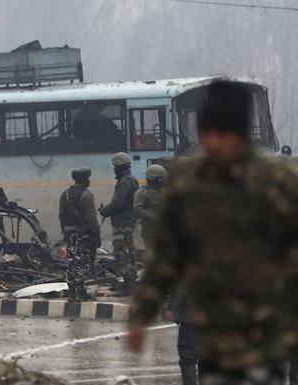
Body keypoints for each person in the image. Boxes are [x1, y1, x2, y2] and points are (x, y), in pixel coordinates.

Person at [127, 81, 298, 385]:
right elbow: (166, 254)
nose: (214, 143)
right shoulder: (188, 183)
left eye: (223, 135)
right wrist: (141, 314)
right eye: (208, 134)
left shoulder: (278, 182)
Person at [58, 168, 101, 301]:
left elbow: (61, 214)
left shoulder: (65, 194)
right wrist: (96, 233)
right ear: (84, 179)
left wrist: (65, 230)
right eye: (88, 178)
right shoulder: (86, 195)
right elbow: (90, 217)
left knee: (71, 261)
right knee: (82, 262)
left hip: (69, 233)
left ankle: (72, 292)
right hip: (83, 234)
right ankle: (80, 292)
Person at [99, 153, 139, 293]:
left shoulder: (124, 182)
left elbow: (117, 204)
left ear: (117, 167)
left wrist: (104, 211)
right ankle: (132, 281)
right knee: (130, 251)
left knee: (121, 252)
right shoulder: (131, 180)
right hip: (129, 221)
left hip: (122, 223)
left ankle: (126, 284)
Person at [133, 164, 166, 250]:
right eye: (160, 178)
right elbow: (138, 210)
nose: (163, 180)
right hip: (150, 231)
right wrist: (154, 217)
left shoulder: (164, 191)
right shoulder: (142, 192)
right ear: (153, 178)